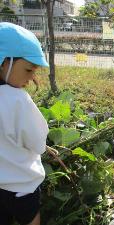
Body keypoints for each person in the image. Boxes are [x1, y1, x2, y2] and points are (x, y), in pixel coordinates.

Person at [0, 22, 49, 225]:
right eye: (29, 70)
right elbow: (38, 143)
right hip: (22, 187)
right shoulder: (18, 99)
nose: (31, 78)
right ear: (4, 62)